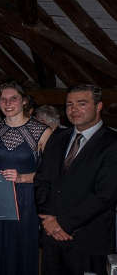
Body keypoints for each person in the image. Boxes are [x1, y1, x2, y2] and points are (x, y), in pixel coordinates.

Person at [35, 84, 117, 274]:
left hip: (88, 240)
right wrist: (47, 219)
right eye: (69, 104)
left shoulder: (112, 144)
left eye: (81, 104)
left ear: (99, 107)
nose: (74, 109)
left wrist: (63, 223)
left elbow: (105, 195)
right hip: (51, 238)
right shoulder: (57, 137)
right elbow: (41, 180)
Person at [0, 82, 52, 275]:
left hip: (27, 200)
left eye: (13, 98)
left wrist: (23, 177)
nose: (7, 103)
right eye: (3, 99)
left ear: (23, 101)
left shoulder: (42, 131)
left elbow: (50, 173)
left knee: (23, 250)